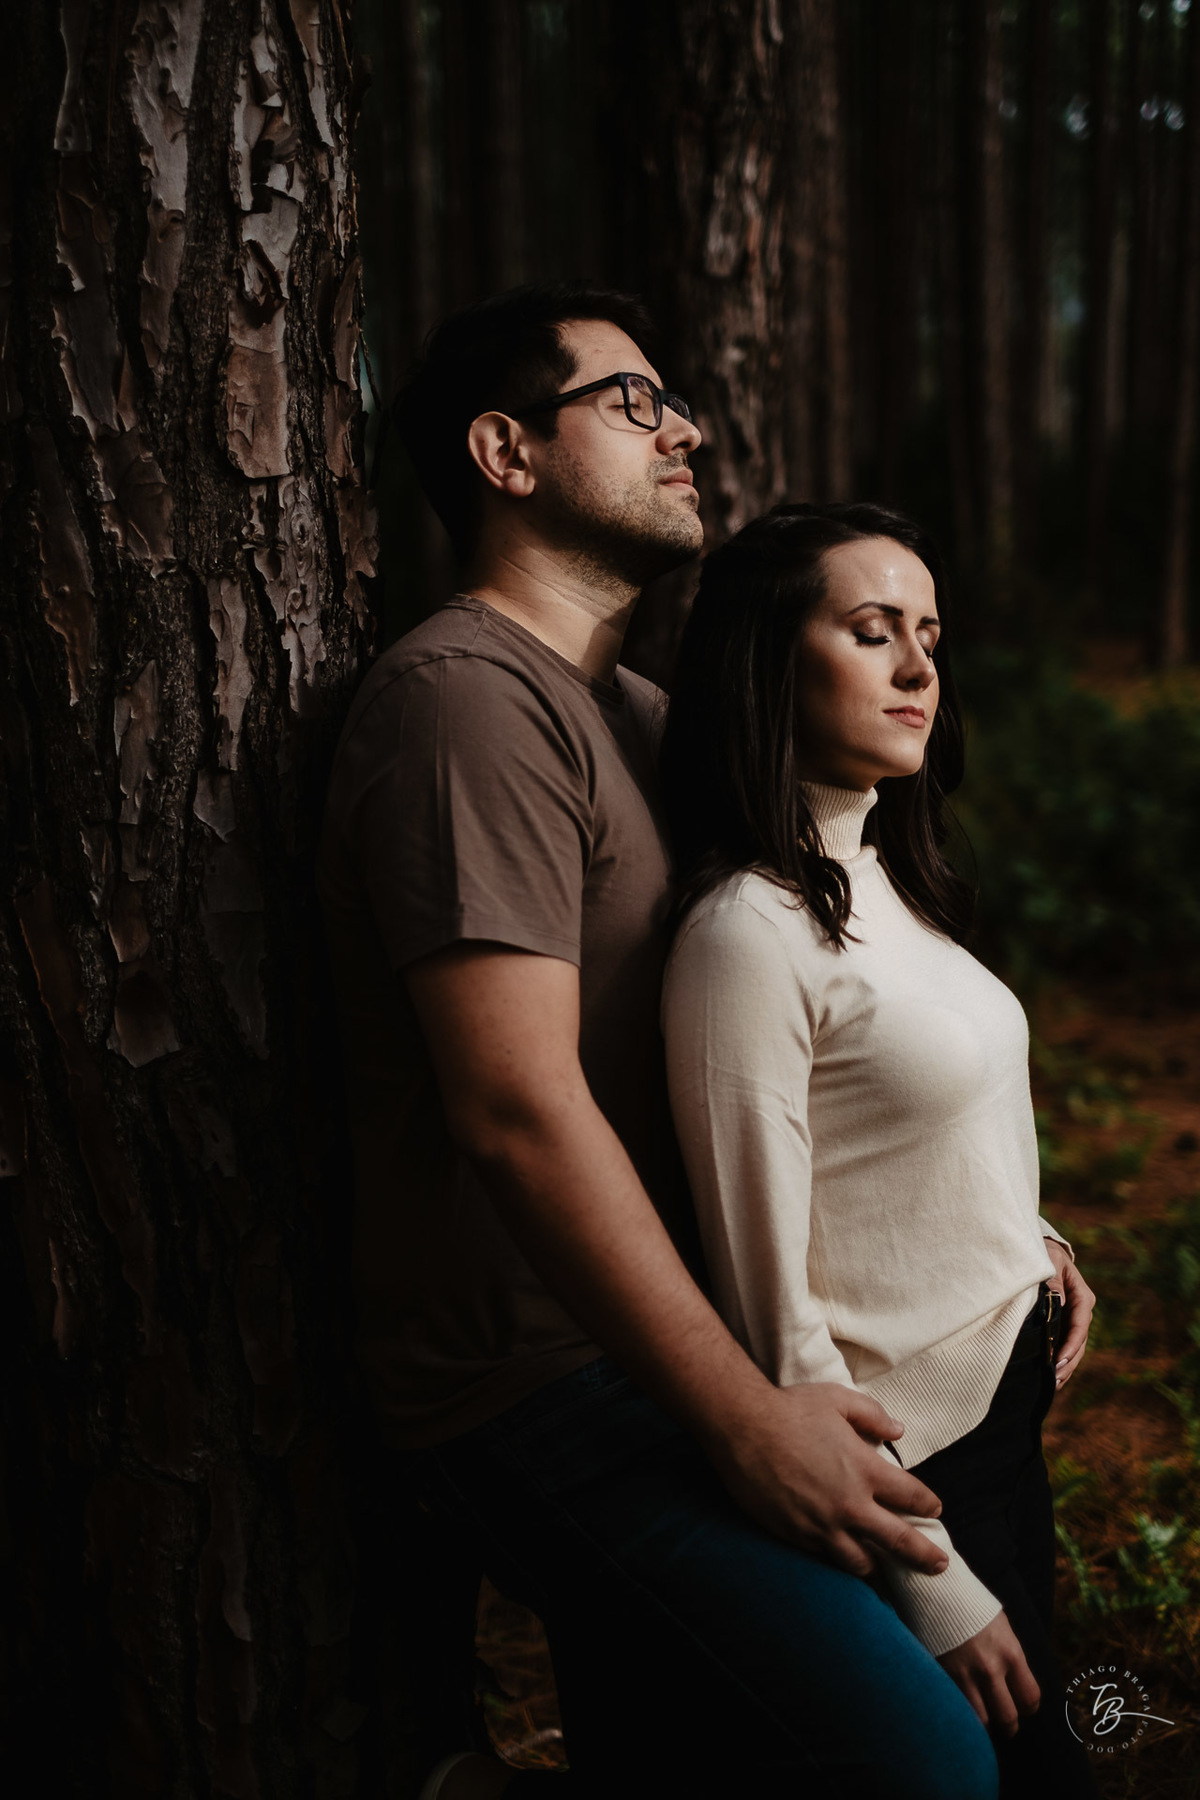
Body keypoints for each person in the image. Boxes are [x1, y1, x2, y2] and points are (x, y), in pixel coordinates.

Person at [318, 284, 999, 1800]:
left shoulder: (636, 711)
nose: (683, 426)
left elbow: (822, 1008)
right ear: (507, 452)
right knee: (923, 1765)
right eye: (632, 403)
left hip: (687, 1332)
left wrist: (1016, 1232)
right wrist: (745, 1423)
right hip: (539, 1384)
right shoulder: (466, 706)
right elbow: (512, 1110)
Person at [658, 501, 1100, 1798]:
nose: (918, 669)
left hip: (1010, 1421)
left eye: (930, 638)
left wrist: (1035, 1244)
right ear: (767, 663)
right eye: (871, 633)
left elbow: (917, 1132)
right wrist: (927, 1574)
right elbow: (767, 1320)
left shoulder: (890, 879)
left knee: (1068, 1742)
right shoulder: (747, 934)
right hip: (915, 1473)